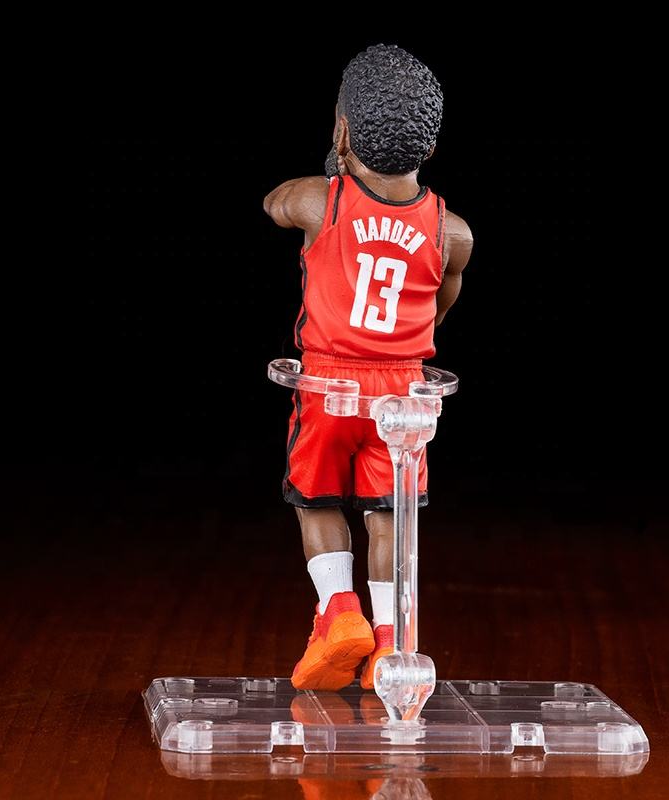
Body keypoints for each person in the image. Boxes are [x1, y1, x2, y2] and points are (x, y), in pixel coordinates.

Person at [264, 44, 473, 691]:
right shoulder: (452, 232)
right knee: (390, 514)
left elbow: (273, 202)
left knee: (317, 499)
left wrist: (334, 171)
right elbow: (436, 309)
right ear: (429, 145)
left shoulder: (317, 202)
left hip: (328, 382)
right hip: (402, 394)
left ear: (343, 129)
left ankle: (339, 612)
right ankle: (389, 641)